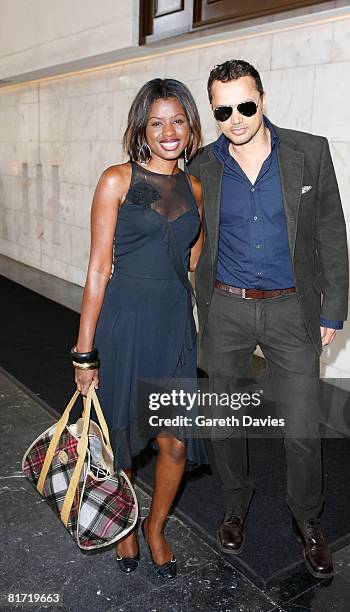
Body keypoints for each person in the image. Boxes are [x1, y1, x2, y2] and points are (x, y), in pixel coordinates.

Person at [188, 59, 348, 579]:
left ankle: (308, 519)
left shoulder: (309, 152)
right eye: (223, 109)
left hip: (290, 309)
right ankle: (236, 503)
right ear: (214, 110)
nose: (236, 117)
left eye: (245, 104)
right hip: (226, 308)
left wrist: (333, 308)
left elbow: (330, 234)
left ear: (263, 98)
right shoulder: (202, 167)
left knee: (302, 426)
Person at [72, 78, 206, 581]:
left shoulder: (194, 188)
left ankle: (155, 527)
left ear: (191, 127)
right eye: (157, 122)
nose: (168, 131)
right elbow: (97, 268)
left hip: (174, 325)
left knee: (176, 441)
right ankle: (125, 527)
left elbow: (191, 257)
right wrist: (85, 352)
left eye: (178, 120)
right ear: (142, 130)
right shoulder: (117, 181)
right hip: (125, 324)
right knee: (124, 439)